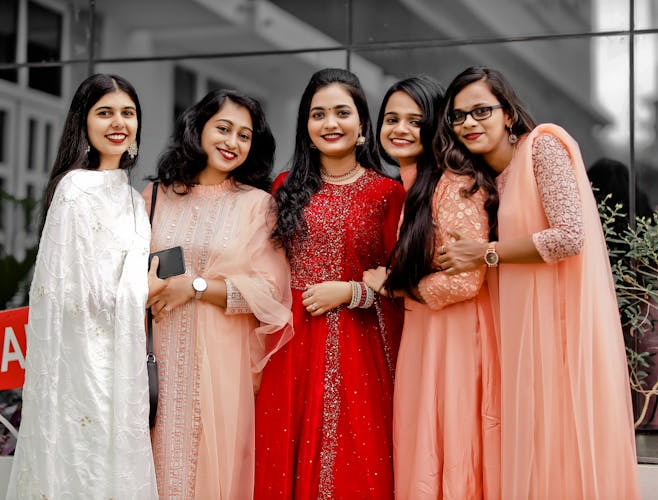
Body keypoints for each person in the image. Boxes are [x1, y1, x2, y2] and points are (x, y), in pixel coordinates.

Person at [436, 66, 640, 499]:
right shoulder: (483, 180)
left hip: (557, 330)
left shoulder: (542, 147)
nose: (468, 123)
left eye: (480, 111)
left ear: (508, 113)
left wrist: (485, 253)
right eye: (458, 116)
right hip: (516, 332)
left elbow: (569, 234)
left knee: (559, 441)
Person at [6, 74, 161, 499]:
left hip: (122, 363)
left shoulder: (132, 198)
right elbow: (68, 292)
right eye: (105, 113)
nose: (119, 123)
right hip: (83, 366)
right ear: (84, 123)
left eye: (127, 113)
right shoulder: (75, 189)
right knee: (84, 467)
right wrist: (142, 287)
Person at [254, 68, 405, 499]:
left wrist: (353, 291)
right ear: (306, 125)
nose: (330, 123)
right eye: (318, 114)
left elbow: (403, 281)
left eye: (342, 112)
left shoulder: (387, 193)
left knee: (354, 460)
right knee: (283, 448)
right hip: (290, 344)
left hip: (360, 346)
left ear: (362, 125)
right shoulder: (286, 188)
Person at [144, 89, 293, 499]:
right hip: (158, 359)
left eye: (244, 136)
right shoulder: (155, 198)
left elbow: (270, 295)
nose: (232, 142)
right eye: (223, 129)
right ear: (198, 128)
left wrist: (193, 287)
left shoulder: (258, 206)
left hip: (222, 366)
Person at [364, 75, 501, 499]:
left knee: (451, 448)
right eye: (391, 119)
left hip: (456, 339)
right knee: (423, 450)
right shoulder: (410, 187)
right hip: (426, 336)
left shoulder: (455, 183)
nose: (400, 129)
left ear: (435, 125)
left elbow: (465, 279)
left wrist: (395, 287)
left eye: (414, 120)